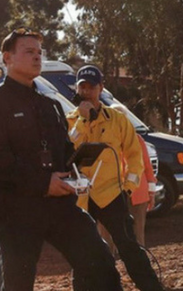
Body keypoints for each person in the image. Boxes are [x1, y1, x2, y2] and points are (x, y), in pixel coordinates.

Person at [0, 29, 122, 291]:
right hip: (16, 208)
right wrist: (43, 182)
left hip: (59, 204)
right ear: (7, 57)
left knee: (101, 265)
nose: (37, 57)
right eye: (29, 52)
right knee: (18, 284)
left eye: (40, 52)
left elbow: (63, 151)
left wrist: (75, 171)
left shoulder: (50, 104)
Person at [67, 65, 163, 291]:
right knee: (82, 250)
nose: (87, 91)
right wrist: (82, 120)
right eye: (83, 87)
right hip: (81, 198)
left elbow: (134, 155)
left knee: (129, 247)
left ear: (101, 88)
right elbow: (65, 153)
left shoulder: (117, 120)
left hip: (111, 194)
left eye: (92, 87)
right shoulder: (69, 121)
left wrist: (128, 187)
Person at [99, 134, 156, 254]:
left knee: (137, 237)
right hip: (107, 193)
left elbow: (147, 166)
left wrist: (151, 193)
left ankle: (141, 269)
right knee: (105, 237)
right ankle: (107, 269)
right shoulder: (98, 136)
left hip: (136, 194)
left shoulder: (136, 138)